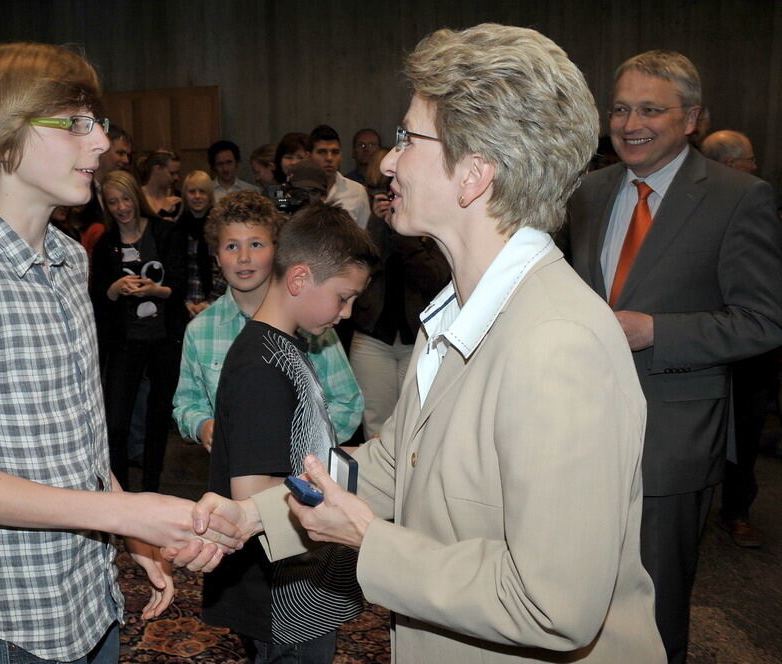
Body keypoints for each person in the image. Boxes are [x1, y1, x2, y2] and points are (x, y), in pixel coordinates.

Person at [191, 23, 666, 664]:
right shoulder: (458, 314)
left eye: (408, 138)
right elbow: (397, 466)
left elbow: (555, 609)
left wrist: (369, 542)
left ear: (473, 174)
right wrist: (257, 516)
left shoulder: (558, 344)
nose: (387, 160)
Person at [0, 42, 240, 663]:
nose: (101, 143)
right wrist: (126, 509)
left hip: (87, 592)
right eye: (74, 124)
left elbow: (75, 437)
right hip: (17, 616)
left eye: (97, 123)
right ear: (2, 137)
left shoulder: (67, 258)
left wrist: (125, 527)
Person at [565, 51, 782, 663]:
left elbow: (764, 321)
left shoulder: (739, 198)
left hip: (671, 437)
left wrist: (656, 330)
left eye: (650, 109)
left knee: (654, 610)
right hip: (579, 429)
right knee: (578, 594)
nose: (631, 122)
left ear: (691, 118)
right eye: (621, 108)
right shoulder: (589, 192)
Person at [203, 202, 375, 663]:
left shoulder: (287, 347)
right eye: (343, 296)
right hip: (282, 597)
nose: (346, 312)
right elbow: (253, 494)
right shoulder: (261, 366)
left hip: (302, 585)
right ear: (299, 279)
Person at [173, 190, 363, 452]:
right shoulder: (200, 330)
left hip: (302, 469)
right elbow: (187, 403)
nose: (243, 257)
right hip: (234, 471)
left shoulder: (309, 322)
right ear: (216, 258)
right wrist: (202, 425)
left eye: (256, 244)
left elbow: (347, 401)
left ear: (277, 252)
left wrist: (302, 442)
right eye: (231, 246)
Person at [91, 170, 187, 492]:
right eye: (113, 202)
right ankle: (119, 491)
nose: (121, 207)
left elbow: (180, 286)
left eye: (126, 199)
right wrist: (115, 288)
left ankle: (150, 488)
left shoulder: (166, 232)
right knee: (115, 423)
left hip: (163, 339)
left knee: (157, 419)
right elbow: (97, 297)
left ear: (137, 197)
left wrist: (154, 291)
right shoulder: (106, 244)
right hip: (124, 343)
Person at [700, 128, 770, 548]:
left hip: (745, 344)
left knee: (745, 429)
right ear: (728, 164)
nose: (755, 165)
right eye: (748, 157)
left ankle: (736, 511)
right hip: (698, 339)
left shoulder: (755, 199)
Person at [350, 148, 450, 437]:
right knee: (376, 423)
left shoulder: (431, 226)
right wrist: (379, 225)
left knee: (413, 422)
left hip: (416, 337)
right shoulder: (375, 225)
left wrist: (404, 232)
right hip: (372, 336)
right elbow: (362, 270)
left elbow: (434, 278)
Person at [178, 170, 226, 317]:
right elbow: (173, 269)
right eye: (192, 192)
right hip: (184, 304)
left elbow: (226, 267)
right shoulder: (176, 229)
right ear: (185, 195)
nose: (197, 196)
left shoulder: (221, 228)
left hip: (219, 302)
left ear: (210, 195)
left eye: (202, 192)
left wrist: (210, 302)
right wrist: (185, 302)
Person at [308, 124, 370, 228]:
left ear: (341, 156)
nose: (329, 158)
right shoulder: (300, 190)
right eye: (322, 152)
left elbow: (363, 236)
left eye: (335, 152)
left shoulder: (357, 192)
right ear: (309, 156)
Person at [138, 149, 184, 221]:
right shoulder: (137, 197)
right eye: (172, 173)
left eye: (177, 173)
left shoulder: (178, 197)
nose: (176, 178)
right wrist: (163, 212)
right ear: (157, 169)